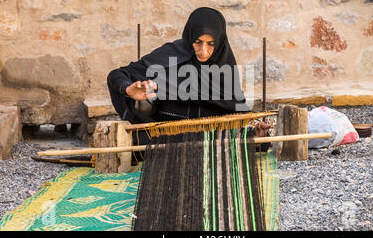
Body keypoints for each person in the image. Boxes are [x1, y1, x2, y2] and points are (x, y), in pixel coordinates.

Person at [107, 7, 270, 145]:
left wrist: (252, 134)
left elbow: (234, 117)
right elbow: (117, 74)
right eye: (198, 42)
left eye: (211, 44)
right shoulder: (171, 55)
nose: (203, 51)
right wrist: (128, 89)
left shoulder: (224, 65)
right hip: (165, 141)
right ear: (190, 36)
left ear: (219, 42)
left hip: (211, 143)